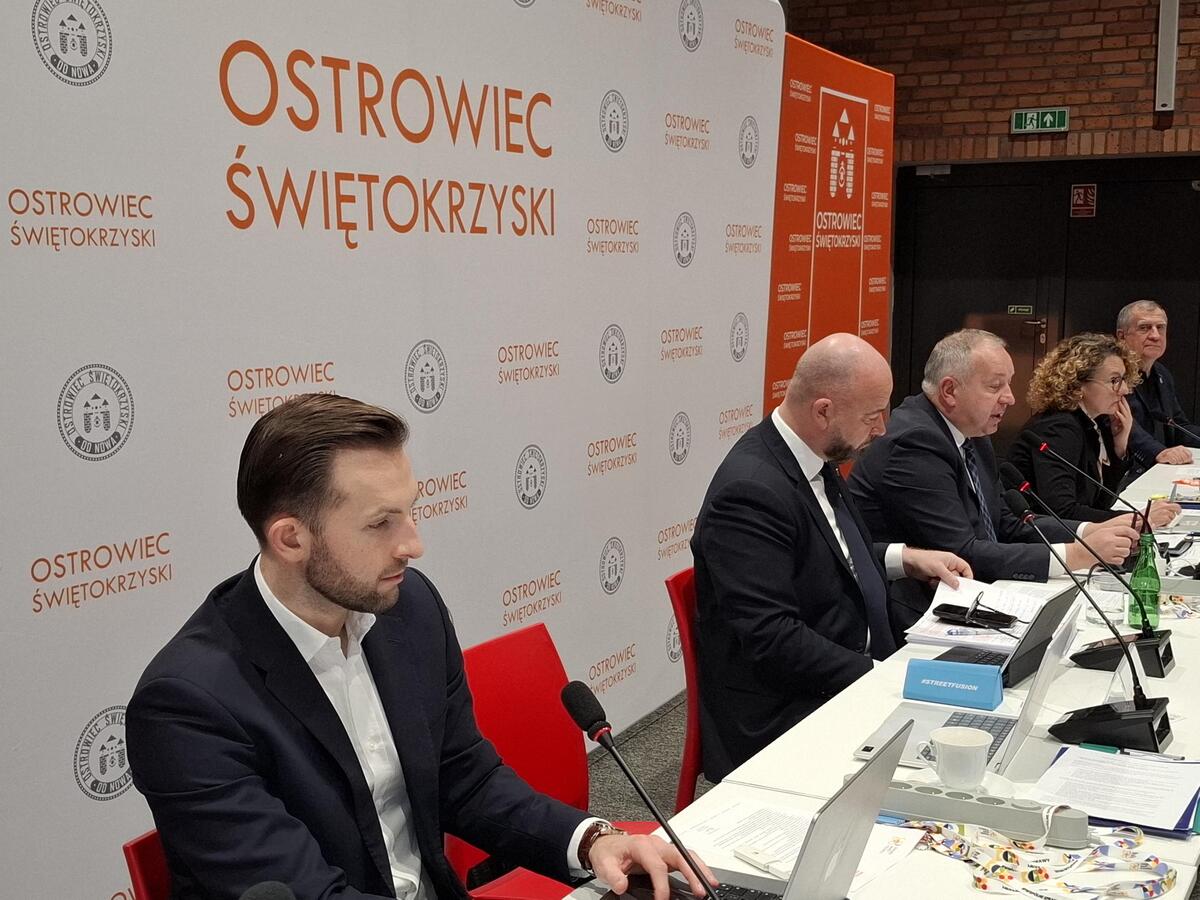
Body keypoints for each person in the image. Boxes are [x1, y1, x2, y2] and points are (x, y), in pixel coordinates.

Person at [127, 394, 715, 900]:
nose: (413, 544)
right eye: (380, 523)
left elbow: (464, 777)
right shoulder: (188, 706)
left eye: (411, 511)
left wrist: (592, 842)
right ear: (290, 538)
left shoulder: (408, 609)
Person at [690, 333, 971, 782]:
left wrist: (906, 558)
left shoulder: (814, 456)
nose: (882, 430)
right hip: (788, 709)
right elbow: (772, 638)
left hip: (846, 672)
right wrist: (883, 677)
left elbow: (826, 554)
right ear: (823, 411)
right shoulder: (750, 492)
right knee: (952, 766)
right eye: (872, 416)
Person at [848, 329, 1139, 604]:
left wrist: (1088, 531)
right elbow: (961, 551)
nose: (1010, 397)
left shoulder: (973, 434)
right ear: (949, 390)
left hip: (969, 592)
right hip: (911, 608)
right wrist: (1075, 555)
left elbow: (1006, 524)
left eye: (1008, 384)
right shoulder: (915, 444)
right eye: (995, 386)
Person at [1009, 332, 1180, 525]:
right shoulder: (1058, 427)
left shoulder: (1096, 421)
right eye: (1114, 381)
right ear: (1078, 384)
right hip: (1033, 536)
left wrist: (1119, 448)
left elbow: (1101, 503)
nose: (1125, 390)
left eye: (1124, 379)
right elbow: (1062, 511)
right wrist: (1138, 519)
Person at [1116, 299, 1198, 473]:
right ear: (1122, 336)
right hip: (1123, 472)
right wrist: (1158, 452)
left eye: (1160, 327)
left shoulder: (1162, 374)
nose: (1155, 335)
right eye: (1144, 328)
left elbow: (1179, 426)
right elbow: (1121, 424)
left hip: (1159, 470)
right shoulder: (1113, 374)